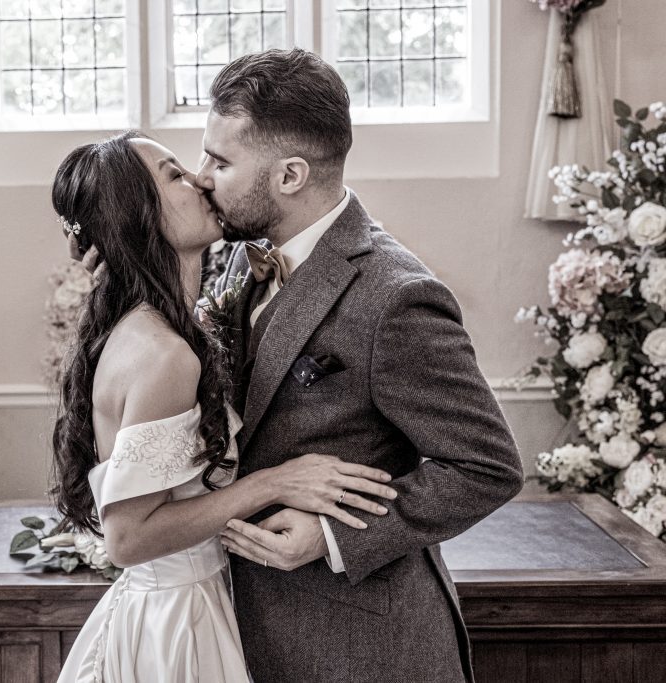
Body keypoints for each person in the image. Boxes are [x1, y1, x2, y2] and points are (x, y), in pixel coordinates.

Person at [199, 49, 525, 682]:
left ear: (289, 175)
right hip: (239, 624)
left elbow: (487, 466)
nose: (203, 175)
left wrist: (332, 534)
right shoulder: (239, 256)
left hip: (360, 643)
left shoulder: (396, 296)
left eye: (221, 160)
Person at [50, 131, 399, 682]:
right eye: (174, 175)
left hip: (191, 603)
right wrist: (276, 482)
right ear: (139, 216)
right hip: (177, 626)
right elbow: (128, 538)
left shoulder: (160, 326)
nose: (199, 180)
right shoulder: (162, 354)